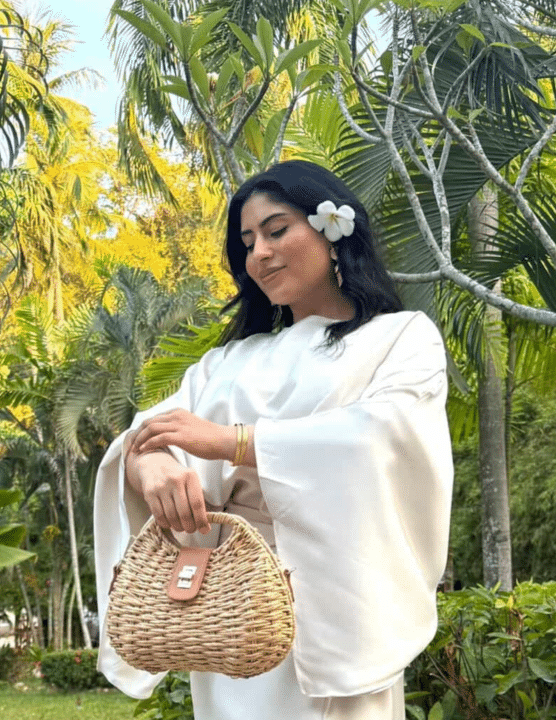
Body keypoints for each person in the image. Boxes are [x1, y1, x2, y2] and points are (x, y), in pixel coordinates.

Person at [94, 160, 454, 720]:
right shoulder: (229, 361)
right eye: (247, 242)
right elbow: (149, 434)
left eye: (276, 230)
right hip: (230, 605)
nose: (259, 253)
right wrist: (152, 466)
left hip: (337, 597)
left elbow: (384, 434)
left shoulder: (399, 338)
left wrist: (232, 442)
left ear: (332, 231)